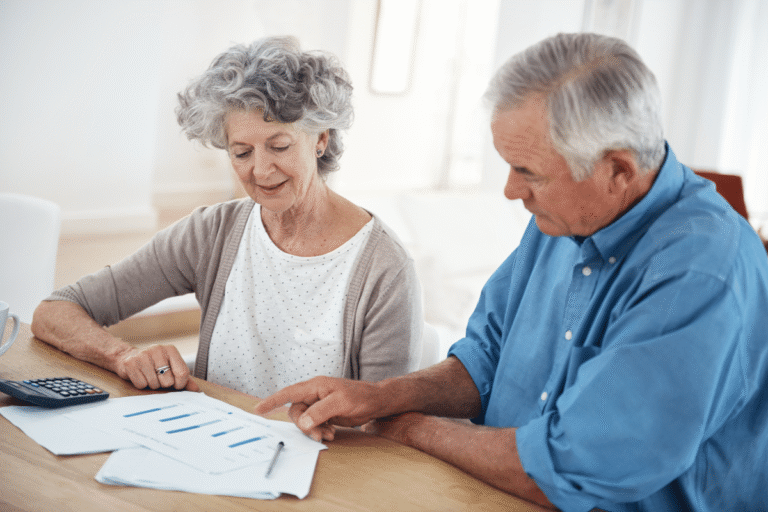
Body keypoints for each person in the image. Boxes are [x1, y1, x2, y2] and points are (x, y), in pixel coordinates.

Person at [255, 32, 768, 511]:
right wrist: (379, 397)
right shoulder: (562, 219)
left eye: (528, 172)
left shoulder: (703, 272)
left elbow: (570, 467)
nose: (509, 191)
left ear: (619, 170)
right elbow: (485, 360)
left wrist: (409, 427)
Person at [31, 36, 423, 399]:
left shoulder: (383, 268)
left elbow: (387, 426)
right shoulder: (211, 233)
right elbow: (57, 310)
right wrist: (121, 356)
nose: (261, 171)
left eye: (279, 145)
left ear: (321, 139)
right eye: (242, 152)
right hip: (213, 452)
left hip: (327, 467)